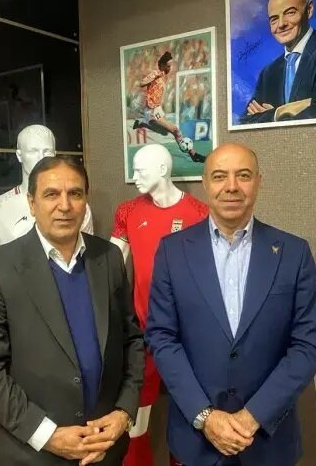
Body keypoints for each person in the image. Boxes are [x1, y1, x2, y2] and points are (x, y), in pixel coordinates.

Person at [145, 143, 316, 465]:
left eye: (243, 175)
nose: (231, 186)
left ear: (258, 182)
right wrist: (205, 416)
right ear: (205, 183)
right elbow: (161, 338)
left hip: (268, 441)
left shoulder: (294, 253)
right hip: (196, 441)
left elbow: (306, 347)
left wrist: (253, 417)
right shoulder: (172, 252)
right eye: (219, 176)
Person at [0, 156, 145, 465]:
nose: (65, 205)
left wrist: (123, 412)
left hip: (105, 450)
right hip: (30, 455)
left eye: (75, 193)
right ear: (32, 203)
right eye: (51, 194)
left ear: (85, 201)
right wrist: (47, 435)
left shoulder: (109, 257)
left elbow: (132, 342)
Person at [110, 144, 208, 466]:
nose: (134, 176)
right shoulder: (128, 211)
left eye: (140, 170)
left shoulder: (199, 213)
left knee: (191, 413)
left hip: (187, 336)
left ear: (163, 170)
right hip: (143, 333)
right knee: (135, 416)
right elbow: (111, 264)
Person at [0, 124, 93, 258]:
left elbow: (85, 258)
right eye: (33, 152)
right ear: (19, 155)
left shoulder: (78, 209)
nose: (41, 158)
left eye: (47, 152)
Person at [132, 51, 206, 163]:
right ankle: (193, 155)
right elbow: (142, 83)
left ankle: (141, 124)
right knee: (175, 129)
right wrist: (154, 76)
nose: (169, 68)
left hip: (157, 109)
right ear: (162, 65)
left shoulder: (162, 75)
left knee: (165, 132)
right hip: (152, 110)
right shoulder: (156, 73)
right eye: (168, 66)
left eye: (170, 66)